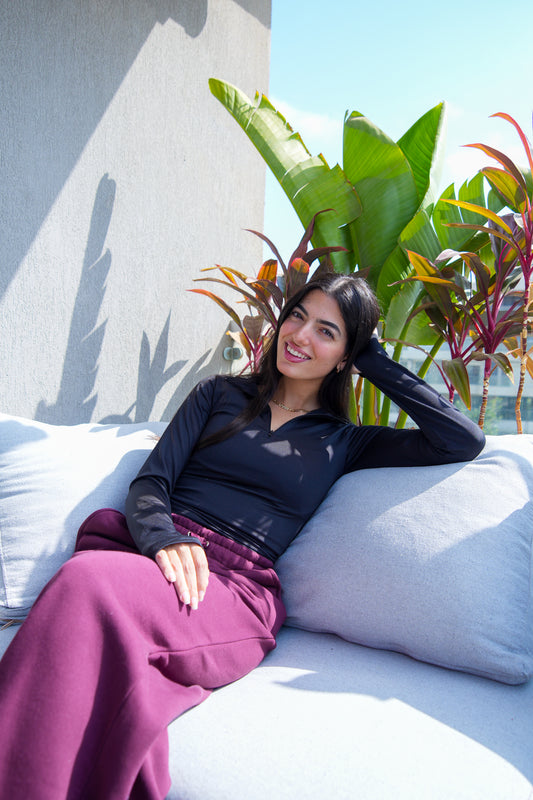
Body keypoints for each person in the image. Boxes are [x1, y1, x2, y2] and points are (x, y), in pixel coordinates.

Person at [0, 273, 485, 799]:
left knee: (85, 583)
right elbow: (152, 482)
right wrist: (163, 538)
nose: (300, 336)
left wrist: (373, 361)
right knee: (85, 586)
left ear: (346, 356)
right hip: (154, 554)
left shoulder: (345, 442)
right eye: (297, 316)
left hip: (232, 589)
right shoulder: (218, 393)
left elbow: (460, 439)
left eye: (326, 331)